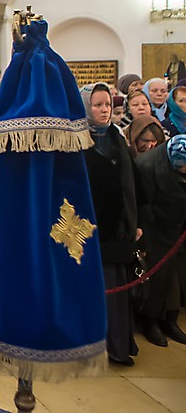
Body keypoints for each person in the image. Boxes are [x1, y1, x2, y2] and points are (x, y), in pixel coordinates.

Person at [80, 83, 139, 365]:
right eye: (97, 105)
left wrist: (134, 221)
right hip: (89, 232)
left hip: (118, 230)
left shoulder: (117, 138)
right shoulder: (76, 142)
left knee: (116, 292)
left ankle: (117, 346)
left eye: (108, 105)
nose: (104, 110)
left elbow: (131, 184)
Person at [135, 135, 186, 348]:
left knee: (177, 278)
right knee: (156, 278)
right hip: (155, 228)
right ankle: (151, 322)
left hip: (179, 229)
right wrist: (144, 241)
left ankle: (170, 320)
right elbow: (143, 205)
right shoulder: (148, 166)